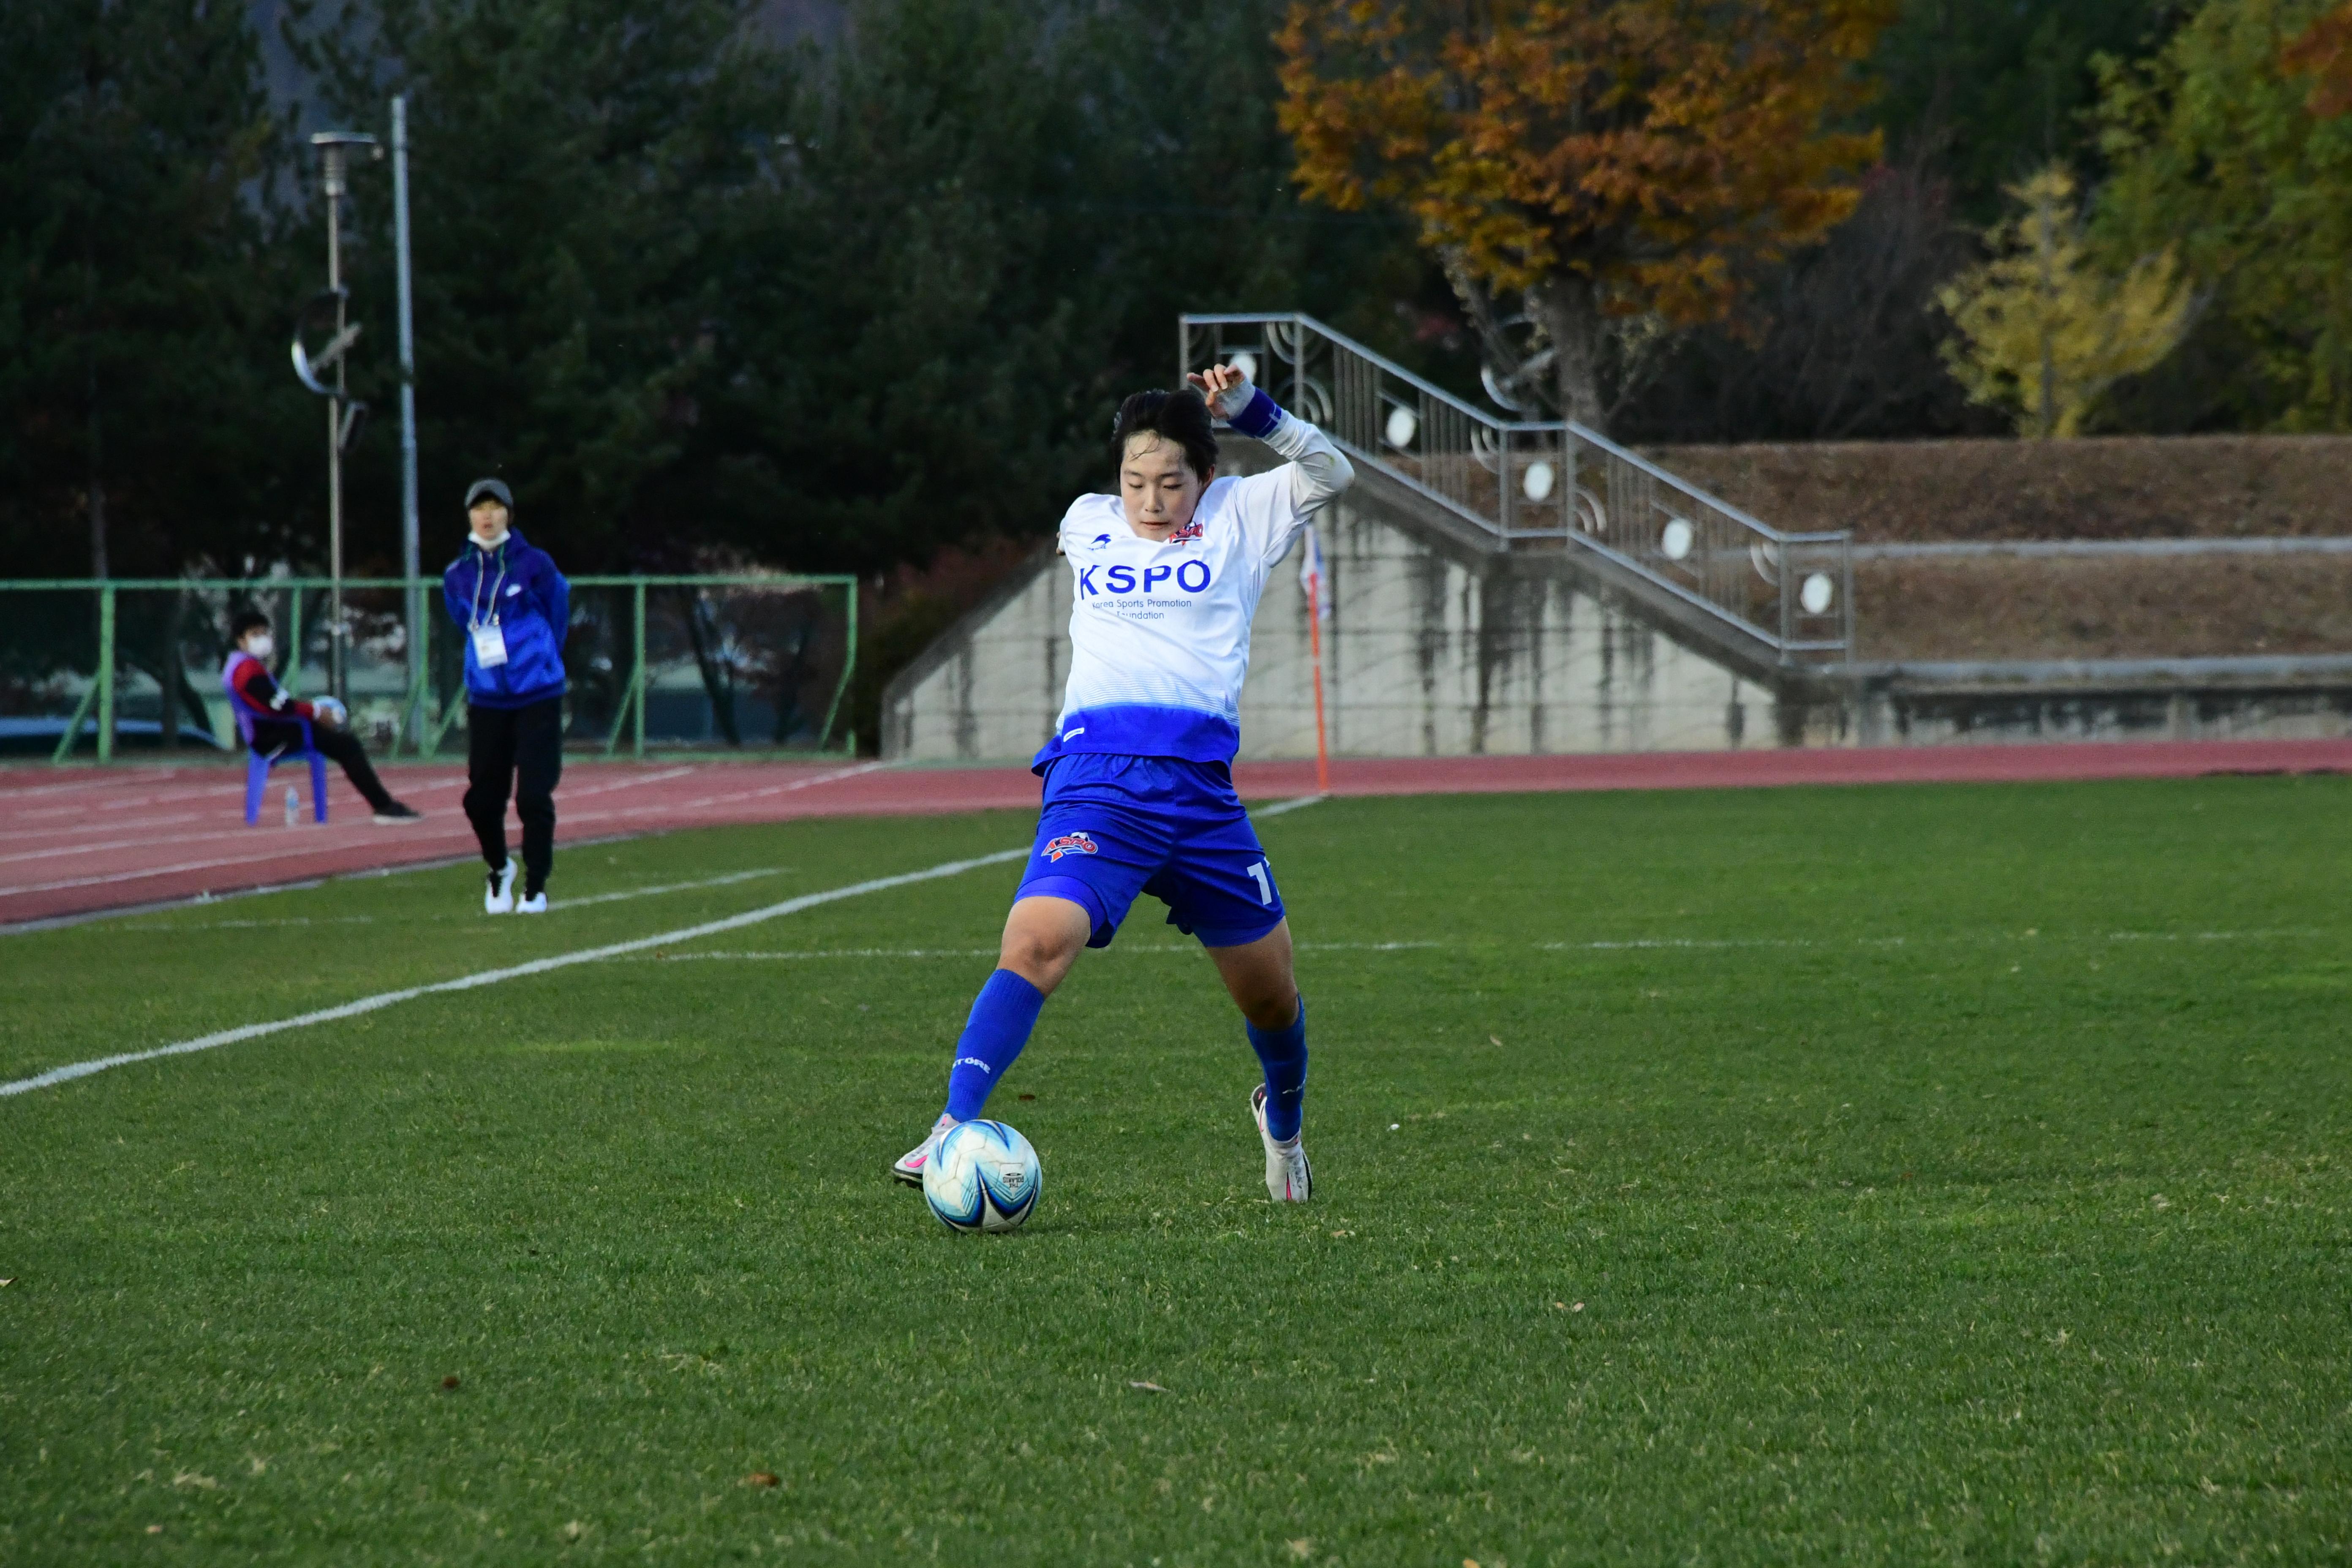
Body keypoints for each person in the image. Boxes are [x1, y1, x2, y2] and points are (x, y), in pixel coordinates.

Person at [893, 364, 1354, 1202]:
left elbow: (1333, 472)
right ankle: (951, 1125)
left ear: (1206, 476)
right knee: (1036, 940)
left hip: (1201, 796)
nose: (1149, 499)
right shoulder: (1087, 523)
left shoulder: (1241, 514)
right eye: (1134, 479)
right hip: (1097, 778)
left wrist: (1255, 411)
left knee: (1272, 998)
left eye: (1171, 481)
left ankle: (1283, 1130)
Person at [442, 477, 569, 915]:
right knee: (481, 798)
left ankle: (536, 886)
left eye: (496, 506)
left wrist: (541, 655)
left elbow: (558, 608)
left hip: (538, 693)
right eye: (480, 507)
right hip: (488, 697)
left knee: (533, 796)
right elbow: (464, 622)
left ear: (509, 514)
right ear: (470, 515)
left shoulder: (535, 564)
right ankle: (499, 868)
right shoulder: (457, 575)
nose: (488, 515)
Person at [221, 610, 422, 822]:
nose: (262, 639)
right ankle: (384, 806)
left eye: (264, 633)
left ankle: (383, 804)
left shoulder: (239, 665)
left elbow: (275, 703)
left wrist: (313, 713)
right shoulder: (246, 670)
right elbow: (277, 705)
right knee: (347, 744)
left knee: (340, 740)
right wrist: (316, 712)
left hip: (273, 730)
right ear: (241, 640)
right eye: (255, 634)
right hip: (271, 736)